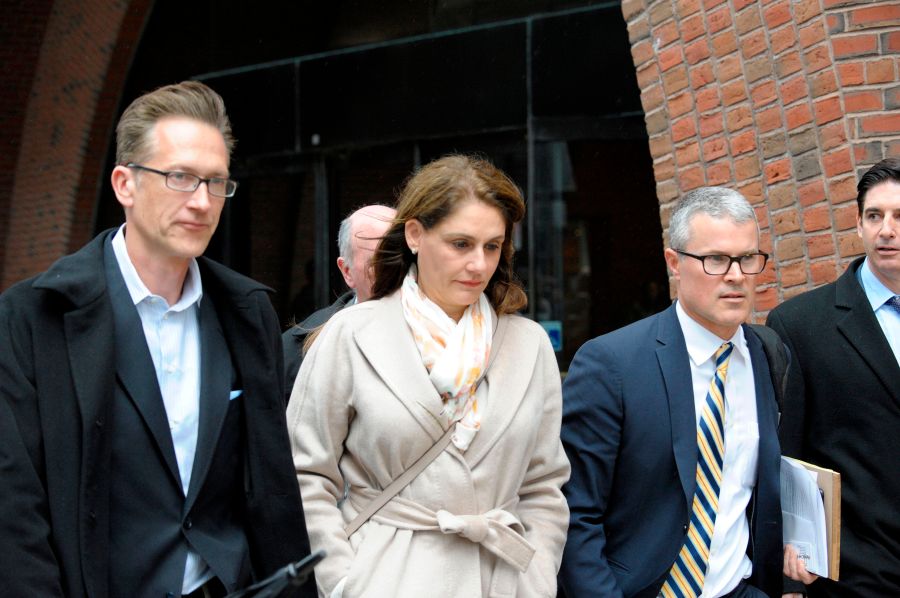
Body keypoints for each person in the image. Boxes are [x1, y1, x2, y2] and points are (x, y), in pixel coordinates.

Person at [0, 81, 315, 598]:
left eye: (216, 182)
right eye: (180, 177)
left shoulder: (246, 311)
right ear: (125, 184)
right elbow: (14, 505)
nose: (201, 201)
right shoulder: (35, 316)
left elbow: (270, 486)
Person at [287, 155, 570, 597]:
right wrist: (345, 581)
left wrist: (535, 580)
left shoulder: (528, 344)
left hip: (500, 579)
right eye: (461, 244)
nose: (478, 264)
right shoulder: (352, 334)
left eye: (492, 246)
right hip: (385, 577)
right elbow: (306, 474)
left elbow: (543, 483)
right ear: (415, 235)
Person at [559, 186, 785, 597]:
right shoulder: (611, 364)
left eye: (747, 258)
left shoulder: (767, 354)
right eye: (716, 259)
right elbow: (575, 514)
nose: (735, 275)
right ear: (674, 263)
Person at [767, 157, 900, 597]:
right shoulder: (800, 324)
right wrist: (788, 580)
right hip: (853, 577)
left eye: (899, 217)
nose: (886, 230)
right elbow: (785, 457)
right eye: (874, 215)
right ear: (859, 226)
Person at [282, 204, 396, 403]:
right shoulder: (295, 352)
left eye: (401, 258)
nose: (395, 271)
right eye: (378, 262)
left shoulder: (455, 331)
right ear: (347, 272)